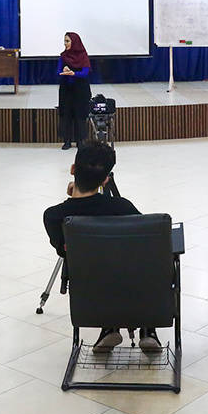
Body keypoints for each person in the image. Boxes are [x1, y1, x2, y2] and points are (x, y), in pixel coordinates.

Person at [42, 141, 160, 353]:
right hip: (131, 284)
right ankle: (147, 328)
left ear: (72, 169)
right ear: (106, 180)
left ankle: (109, 327)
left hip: (87, 287)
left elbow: (63, 251)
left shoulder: (53, 216)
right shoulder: (122, 208)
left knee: (101, 269)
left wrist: (72, 199)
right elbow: (146, 244)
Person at [58, 33, 92, 150]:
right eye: (65, 41)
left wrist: (74, 73)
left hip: (80, 89)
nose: (65, 44)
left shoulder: (83, 56)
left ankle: (80, 140)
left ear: (75, 42)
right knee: (66, 114)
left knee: (80, 114)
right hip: (66, 89)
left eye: (67, 41)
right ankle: (67, 141)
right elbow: (58, 71)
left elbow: (85, 73)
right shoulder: (63, 56)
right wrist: (64, 70)